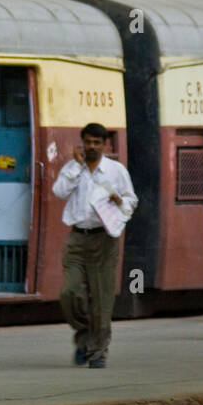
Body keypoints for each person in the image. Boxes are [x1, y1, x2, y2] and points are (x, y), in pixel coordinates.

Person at [51, 122, 137, 368]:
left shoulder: (115, 170)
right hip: (77, 238)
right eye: (88, 142)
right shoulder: (73, 168)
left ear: (105, 145)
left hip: (105, 238)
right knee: (70, 293)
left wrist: (120, 200)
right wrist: (76, 166)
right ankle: (84, 334)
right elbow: (59, 191)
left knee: (101, 299)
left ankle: (98, 351)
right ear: (82, 143)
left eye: (97, 143)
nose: (92, 146)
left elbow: (132, 201)